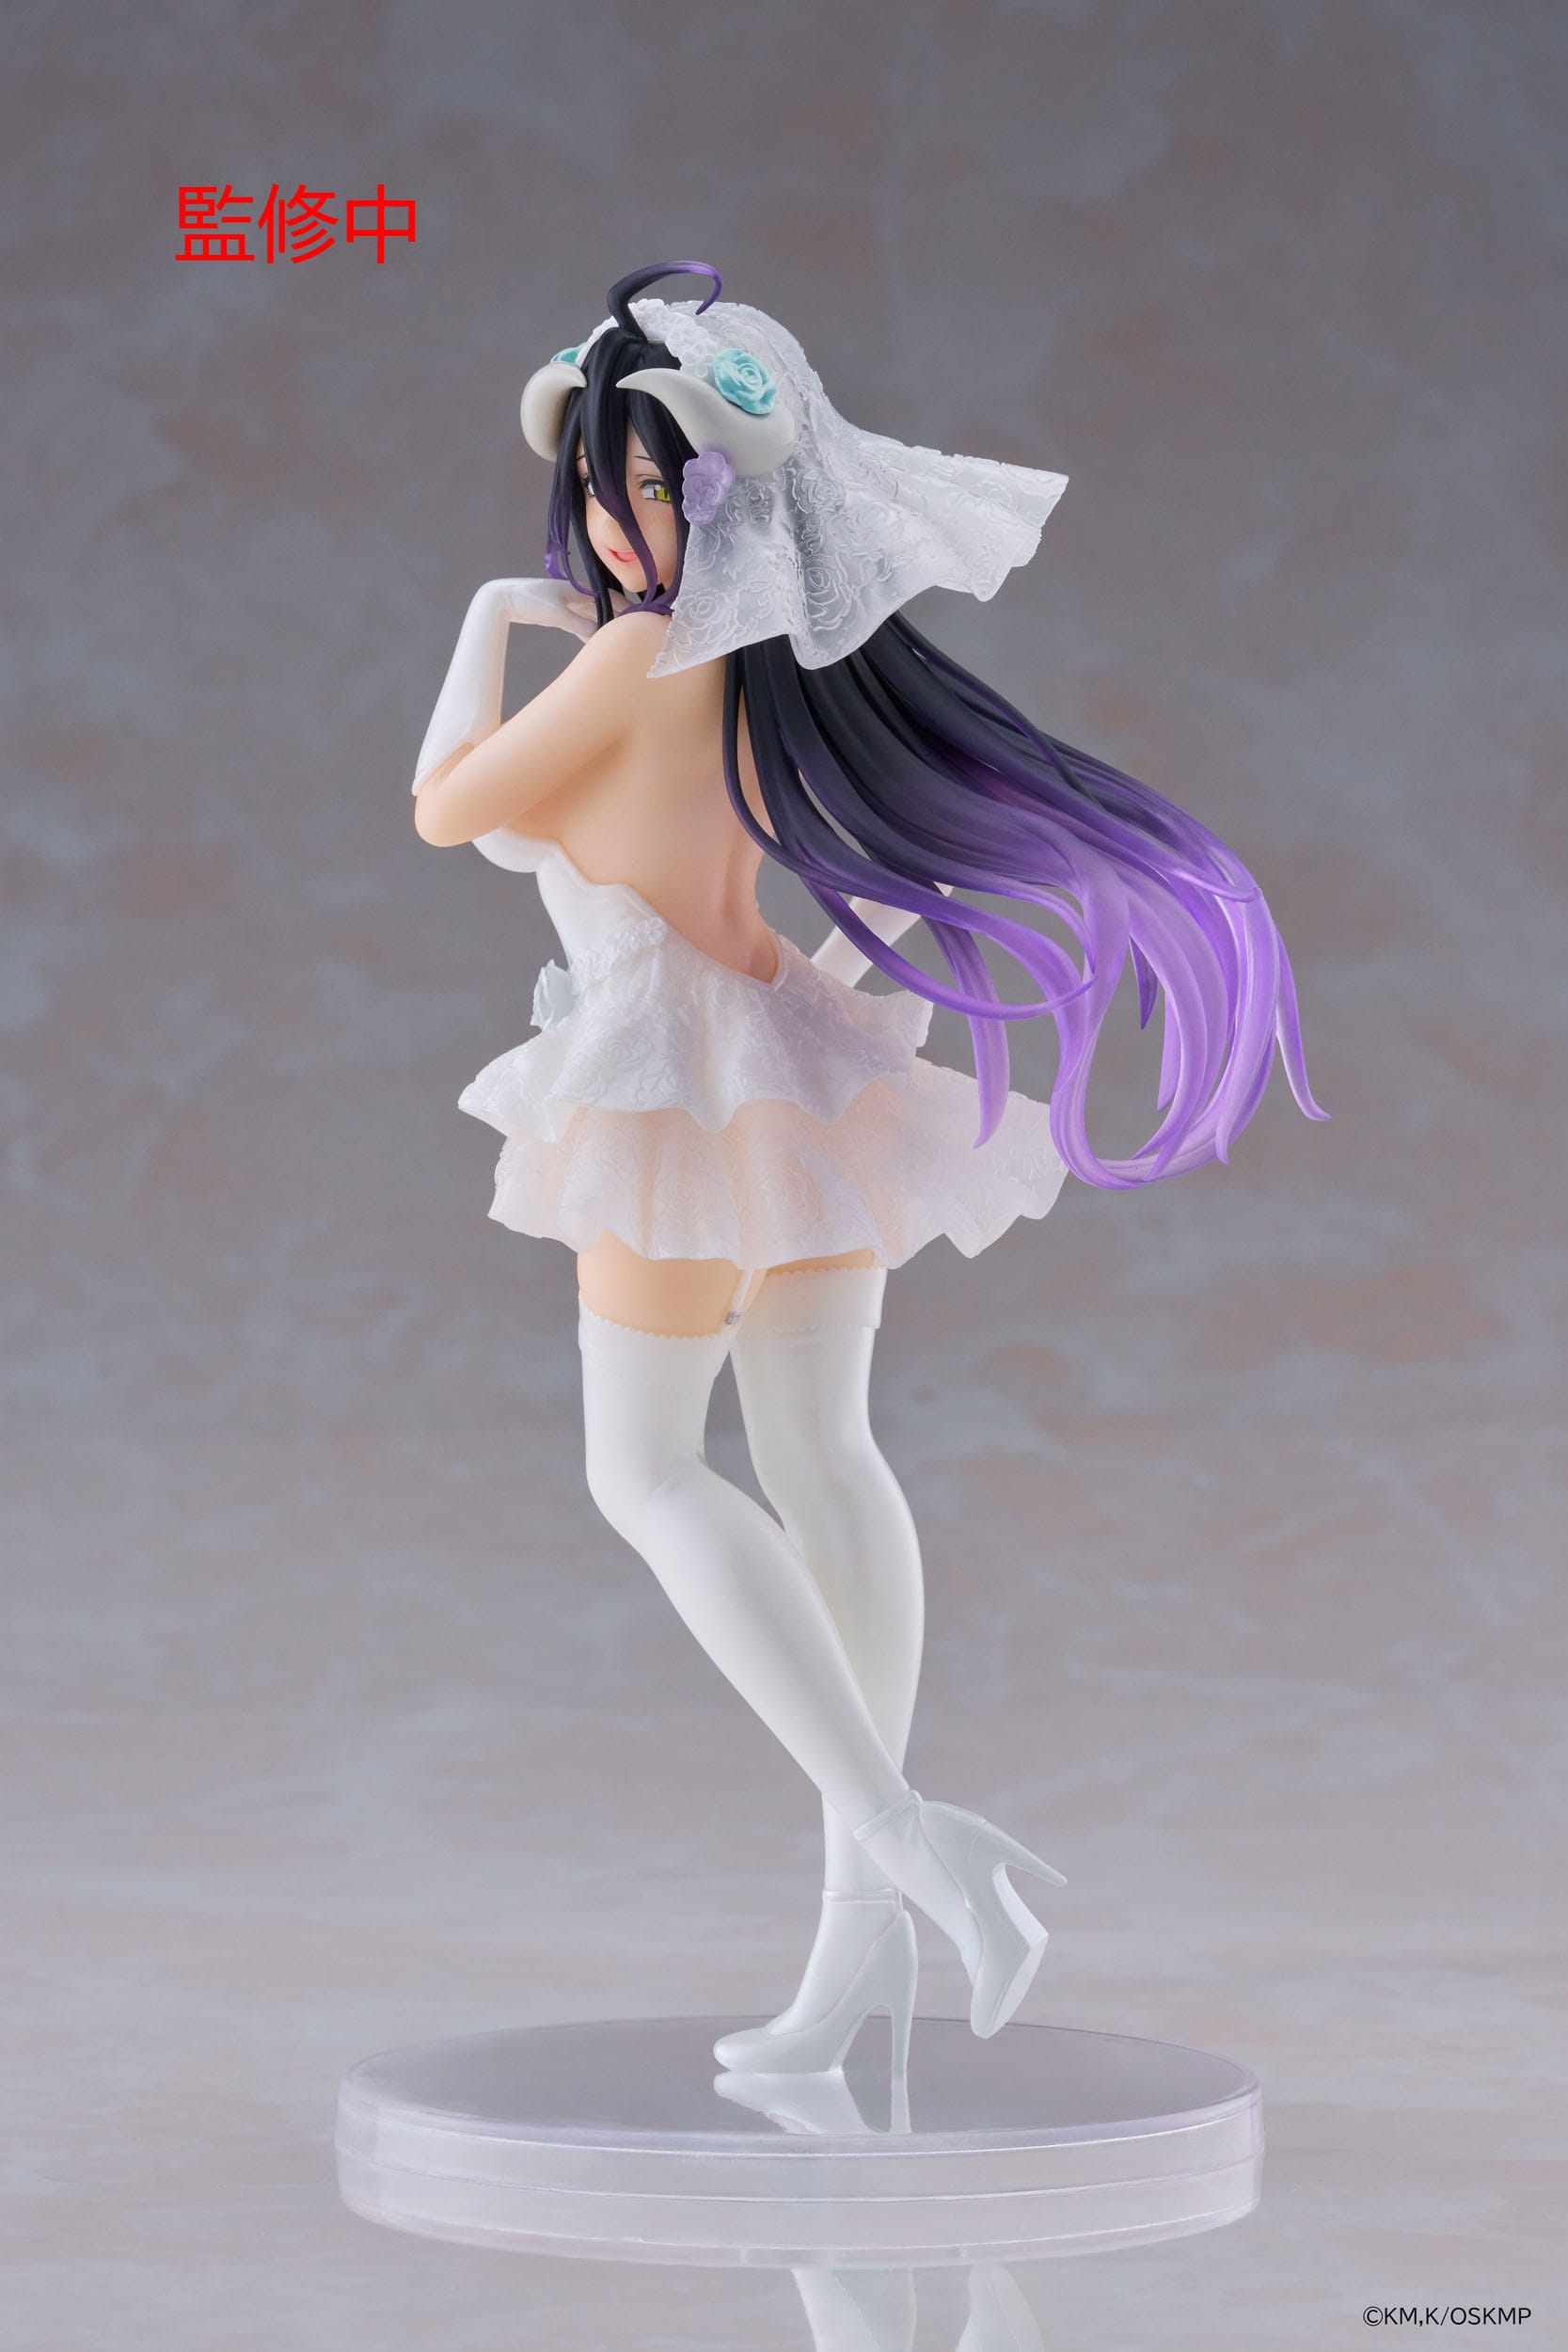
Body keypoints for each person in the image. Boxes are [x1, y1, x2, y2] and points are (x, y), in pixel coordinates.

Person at [408, 262, 1326, 2074]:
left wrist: (491, 616)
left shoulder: (627, 655)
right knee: (823, 1461)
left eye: (653, 482)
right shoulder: (759, 662)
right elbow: (851, 864)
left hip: (672, 1086)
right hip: (798, 1071)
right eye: (602, 484)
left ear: (722, 491)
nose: (619, 520)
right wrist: (843, 985)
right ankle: (860, 1953)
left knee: (649, 1474)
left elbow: (448, 806)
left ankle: (904, 1837)